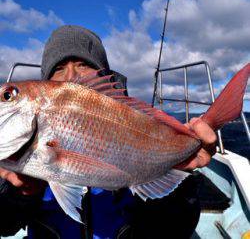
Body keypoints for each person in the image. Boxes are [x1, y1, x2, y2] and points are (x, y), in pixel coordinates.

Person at [0, 25, 216, 238]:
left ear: (102, 74)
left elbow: (172, 231)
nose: (71, 75)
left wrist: (179, 174)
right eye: (58, 68)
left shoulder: (132, 119)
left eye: (83, 64)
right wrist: (19, 194)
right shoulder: (9, 163)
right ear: (46, 81)